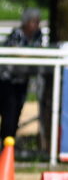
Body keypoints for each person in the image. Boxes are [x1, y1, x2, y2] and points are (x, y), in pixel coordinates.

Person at [0, 8, 45, 142]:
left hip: (23, 79)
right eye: (33, 21)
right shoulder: (17, 33)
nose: (35, 25)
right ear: (26, 22)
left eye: (37, 22)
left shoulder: (38, 35)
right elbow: (14, 52)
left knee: (17, 111)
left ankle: (9, 143)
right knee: (9, 110)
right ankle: (5, 141)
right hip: (7, 80)